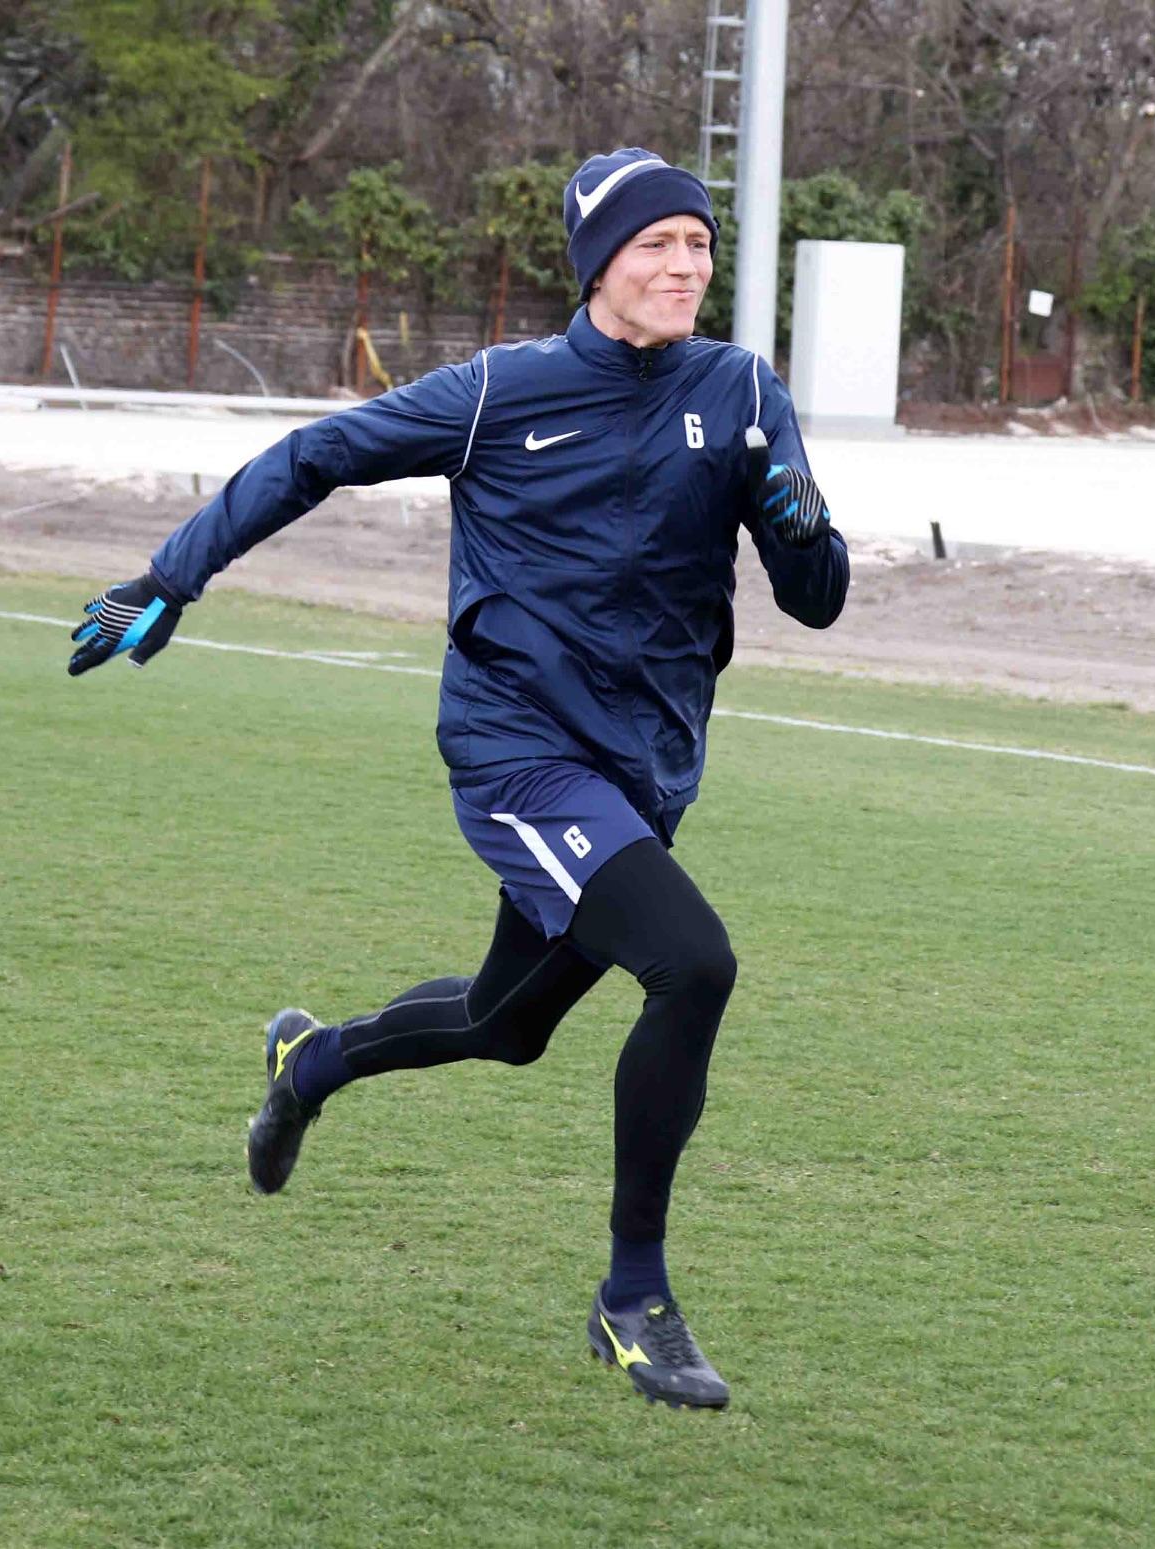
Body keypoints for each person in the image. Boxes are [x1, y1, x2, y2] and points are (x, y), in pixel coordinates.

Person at [67, 147, 849, 1410]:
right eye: (654, 244)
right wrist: (171, 576)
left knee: (505, 1025)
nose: (684, 266)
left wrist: (803, 527)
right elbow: (315, 454)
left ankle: (309, 1064)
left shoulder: (740, 389)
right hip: (516, 753)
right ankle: (630, 1296)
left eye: (698, 244)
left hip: (646, 769)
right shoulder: (497, 392)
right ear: (596, 263)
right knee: (691, 963)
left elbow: (814, 600)